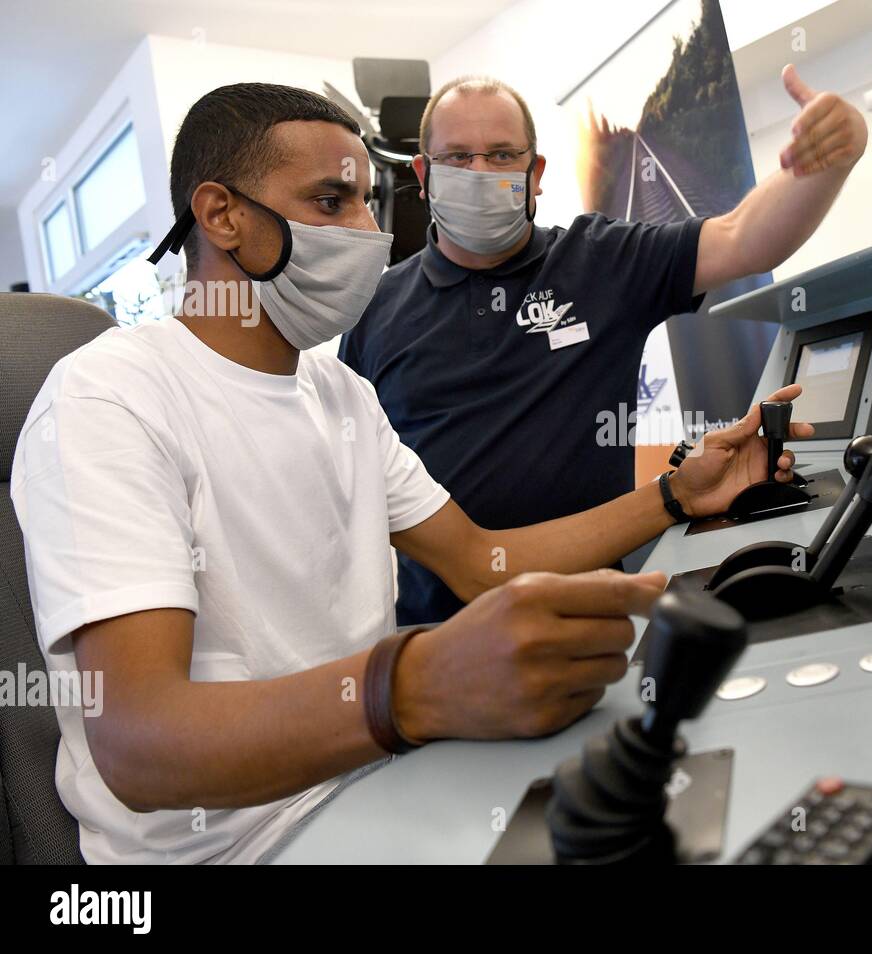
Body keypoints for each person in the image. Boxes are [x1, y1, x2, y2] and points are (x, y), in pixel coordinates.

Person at [9, 83, 811, 864]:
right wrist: (415, 686)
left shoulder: (342, 396)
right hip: (240, 844)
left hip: (380, 774)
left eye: (367, 202)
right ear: (221, 215)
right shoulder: (108, 398)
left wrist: (676, 495)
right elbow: (142, 744)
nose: (367, 232)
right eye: (331, 202)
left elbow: (480, 559)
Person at [341, 66, 867, 625]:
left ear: (535, 172)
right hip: (434, 638)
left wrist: (828, 162)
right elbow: (351, 490)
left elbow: (744, 240)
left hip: (596, 621)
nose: (479, 172)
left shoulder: (602, 261)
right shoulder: (374, 309)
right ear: (423, 173)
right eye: (456, 158)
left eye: (500, 155)